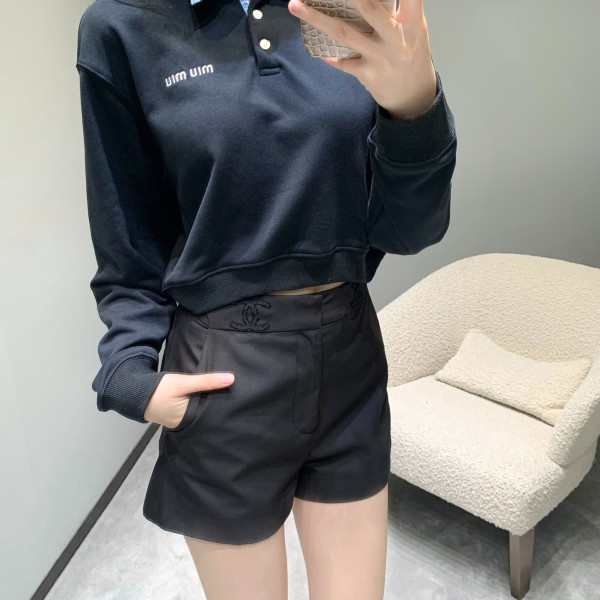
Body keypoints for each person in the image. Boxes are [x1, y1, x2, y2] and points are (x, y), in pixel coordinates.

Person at [75, 0, 457, 597]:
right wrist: (127, 370)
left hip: (351, 359)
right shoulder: (122, 27)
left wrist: (416, 108)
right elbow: (127, 235)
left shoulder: (343, 7)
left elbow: (409, 230)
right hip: (225, 378)